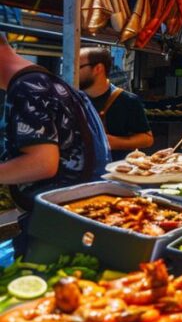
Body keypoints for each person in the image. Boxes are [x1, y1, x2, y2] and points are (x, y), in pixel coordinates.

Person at [0, 34, 110, 215]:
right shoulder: (46, 81)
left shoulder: (27, 87)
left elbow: (42, 164)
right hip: (77, 210)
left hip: (61, 217)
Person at [78, 47, 153, 161]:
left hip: (115, 172)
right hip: (79, 172)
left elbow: (147, 139)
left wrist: (115, 142)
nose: (72, 71)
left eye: (78, 67)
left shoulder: (128, 100)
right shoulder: (71, 99)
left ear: (98, 68)